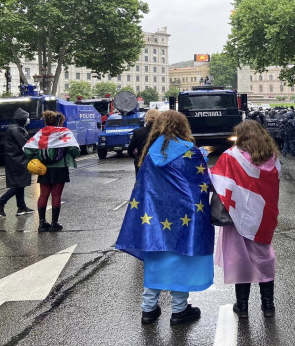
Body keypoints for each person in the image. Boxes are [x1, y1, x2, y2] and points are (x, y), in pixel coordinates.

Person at [115, 110, 214, 326]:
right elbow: (202, 184)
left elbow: (145, 188)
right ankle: (179, 311)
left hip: (155, 217)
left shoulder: (150, 153)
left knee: (156, 259)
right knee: (181, 259)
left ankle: (148, 310)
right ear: (182, 126)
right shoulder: (190, 152)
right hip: (185, 216)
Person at [210, 120, 280, 320]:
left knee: (240, 259)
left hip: (237, 217)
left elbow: (216, 180)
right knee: (264, 257)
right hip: (263, 216)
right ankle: (268, 306)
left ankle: (242, 307)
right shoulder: (272, 158)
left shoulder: (230, 157)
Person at [24, 111, 81, 232]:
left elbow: (28, 150)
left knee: (43, 195)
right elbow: (74, 149)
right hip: (60, 168)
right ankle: (54, 223)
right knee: (56, 195)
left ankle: (42, 223)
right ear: (59, 122)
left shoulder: (41, 133)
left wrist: (36, 158)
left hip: (43, 169)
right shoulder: (64, 132)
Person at [0, 108, 35, 218]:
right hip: (18, 160)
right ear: (22, 119)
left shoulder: (15, 128)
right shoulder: (17, 130)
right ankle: (0, 203)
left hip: (15, 159)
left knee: (20, 184)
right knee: (19, 184)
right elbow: (25, 145)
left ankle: (21, 207)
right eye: (26, 118)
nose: (28, 120)